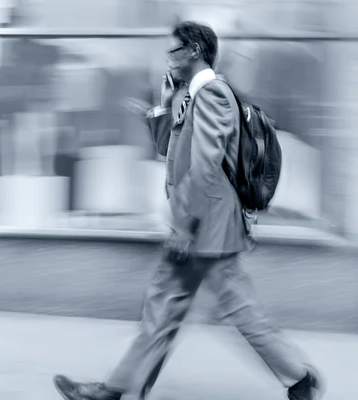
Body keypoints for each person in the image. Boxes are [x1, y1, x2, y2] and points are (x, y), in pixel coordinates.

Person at [52, 21, 323, 400]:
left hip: (206, 228)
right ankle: (119, 389)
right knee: (168, 311)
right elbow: (169, 149)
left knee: (223, 310)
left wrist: (184, 225)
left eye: (173, 50)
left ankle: (299, 378)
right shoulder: (192, 95)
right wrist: (164, 106)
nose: (168, 57)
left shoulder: (213, 95)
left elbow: (206, 165)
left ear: (193, 51)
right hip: (202, 227)